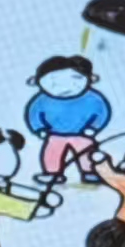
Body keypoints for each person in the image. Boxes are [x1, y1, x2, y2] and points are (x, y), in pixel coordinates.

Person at [25, 54, 112, 185]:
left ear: (90, 79)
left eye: (75, 79)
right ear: (37, 81)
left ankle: (90, 172)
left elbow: (101, 113)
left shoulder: (93, 99)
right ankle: (52, 174)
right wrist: (39, 129)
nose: (64, 86)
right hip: (55, 134)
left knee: (86, 153)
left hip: (82, 135)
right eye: (53, 81)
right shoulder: (41, 100)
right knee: (52, 153)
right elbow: (34, 115)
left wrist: (93, 127)